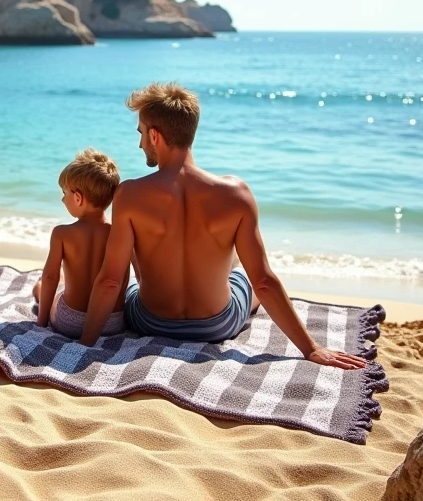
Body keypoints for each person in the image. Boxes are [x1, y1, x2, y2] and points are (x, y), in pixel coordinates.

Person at [78, 82, 367, 371]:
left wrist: (85, 344)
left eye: (141, 134)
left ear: (155, 135)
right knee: (246, 274)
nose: (140, 143)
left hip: (151, 321)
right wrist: (311, 348)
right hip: (217, 326)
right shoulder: (235, 193)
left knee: (131, 252)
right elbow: (265, 282)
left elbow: (111, 281)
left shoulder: (129, 195)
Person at [33, 148, 126, 338]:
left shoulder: (62, 233)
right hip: (111, 322)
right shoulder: (119, 234)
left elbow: (51, 277)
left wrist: (42, 323)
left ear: (78, 198)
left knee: (40, 286)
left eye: (64, 192)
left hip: (70, 321)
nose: (62, 198)